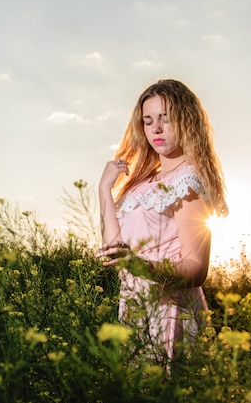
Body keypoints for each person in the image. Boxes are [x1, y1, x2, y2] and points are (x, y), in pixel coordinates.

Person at [97, 78, 228, 366]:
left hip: (170, 313)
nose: (155, 128)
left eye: (165, 119)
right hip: (135, 310)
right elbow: (113, 247)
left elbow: (196, 269)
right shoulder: (142, 184)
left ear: (187, 122)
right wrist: (104, 189)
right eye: (148, 121)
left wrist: (139, 265)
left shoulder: (187, 181)